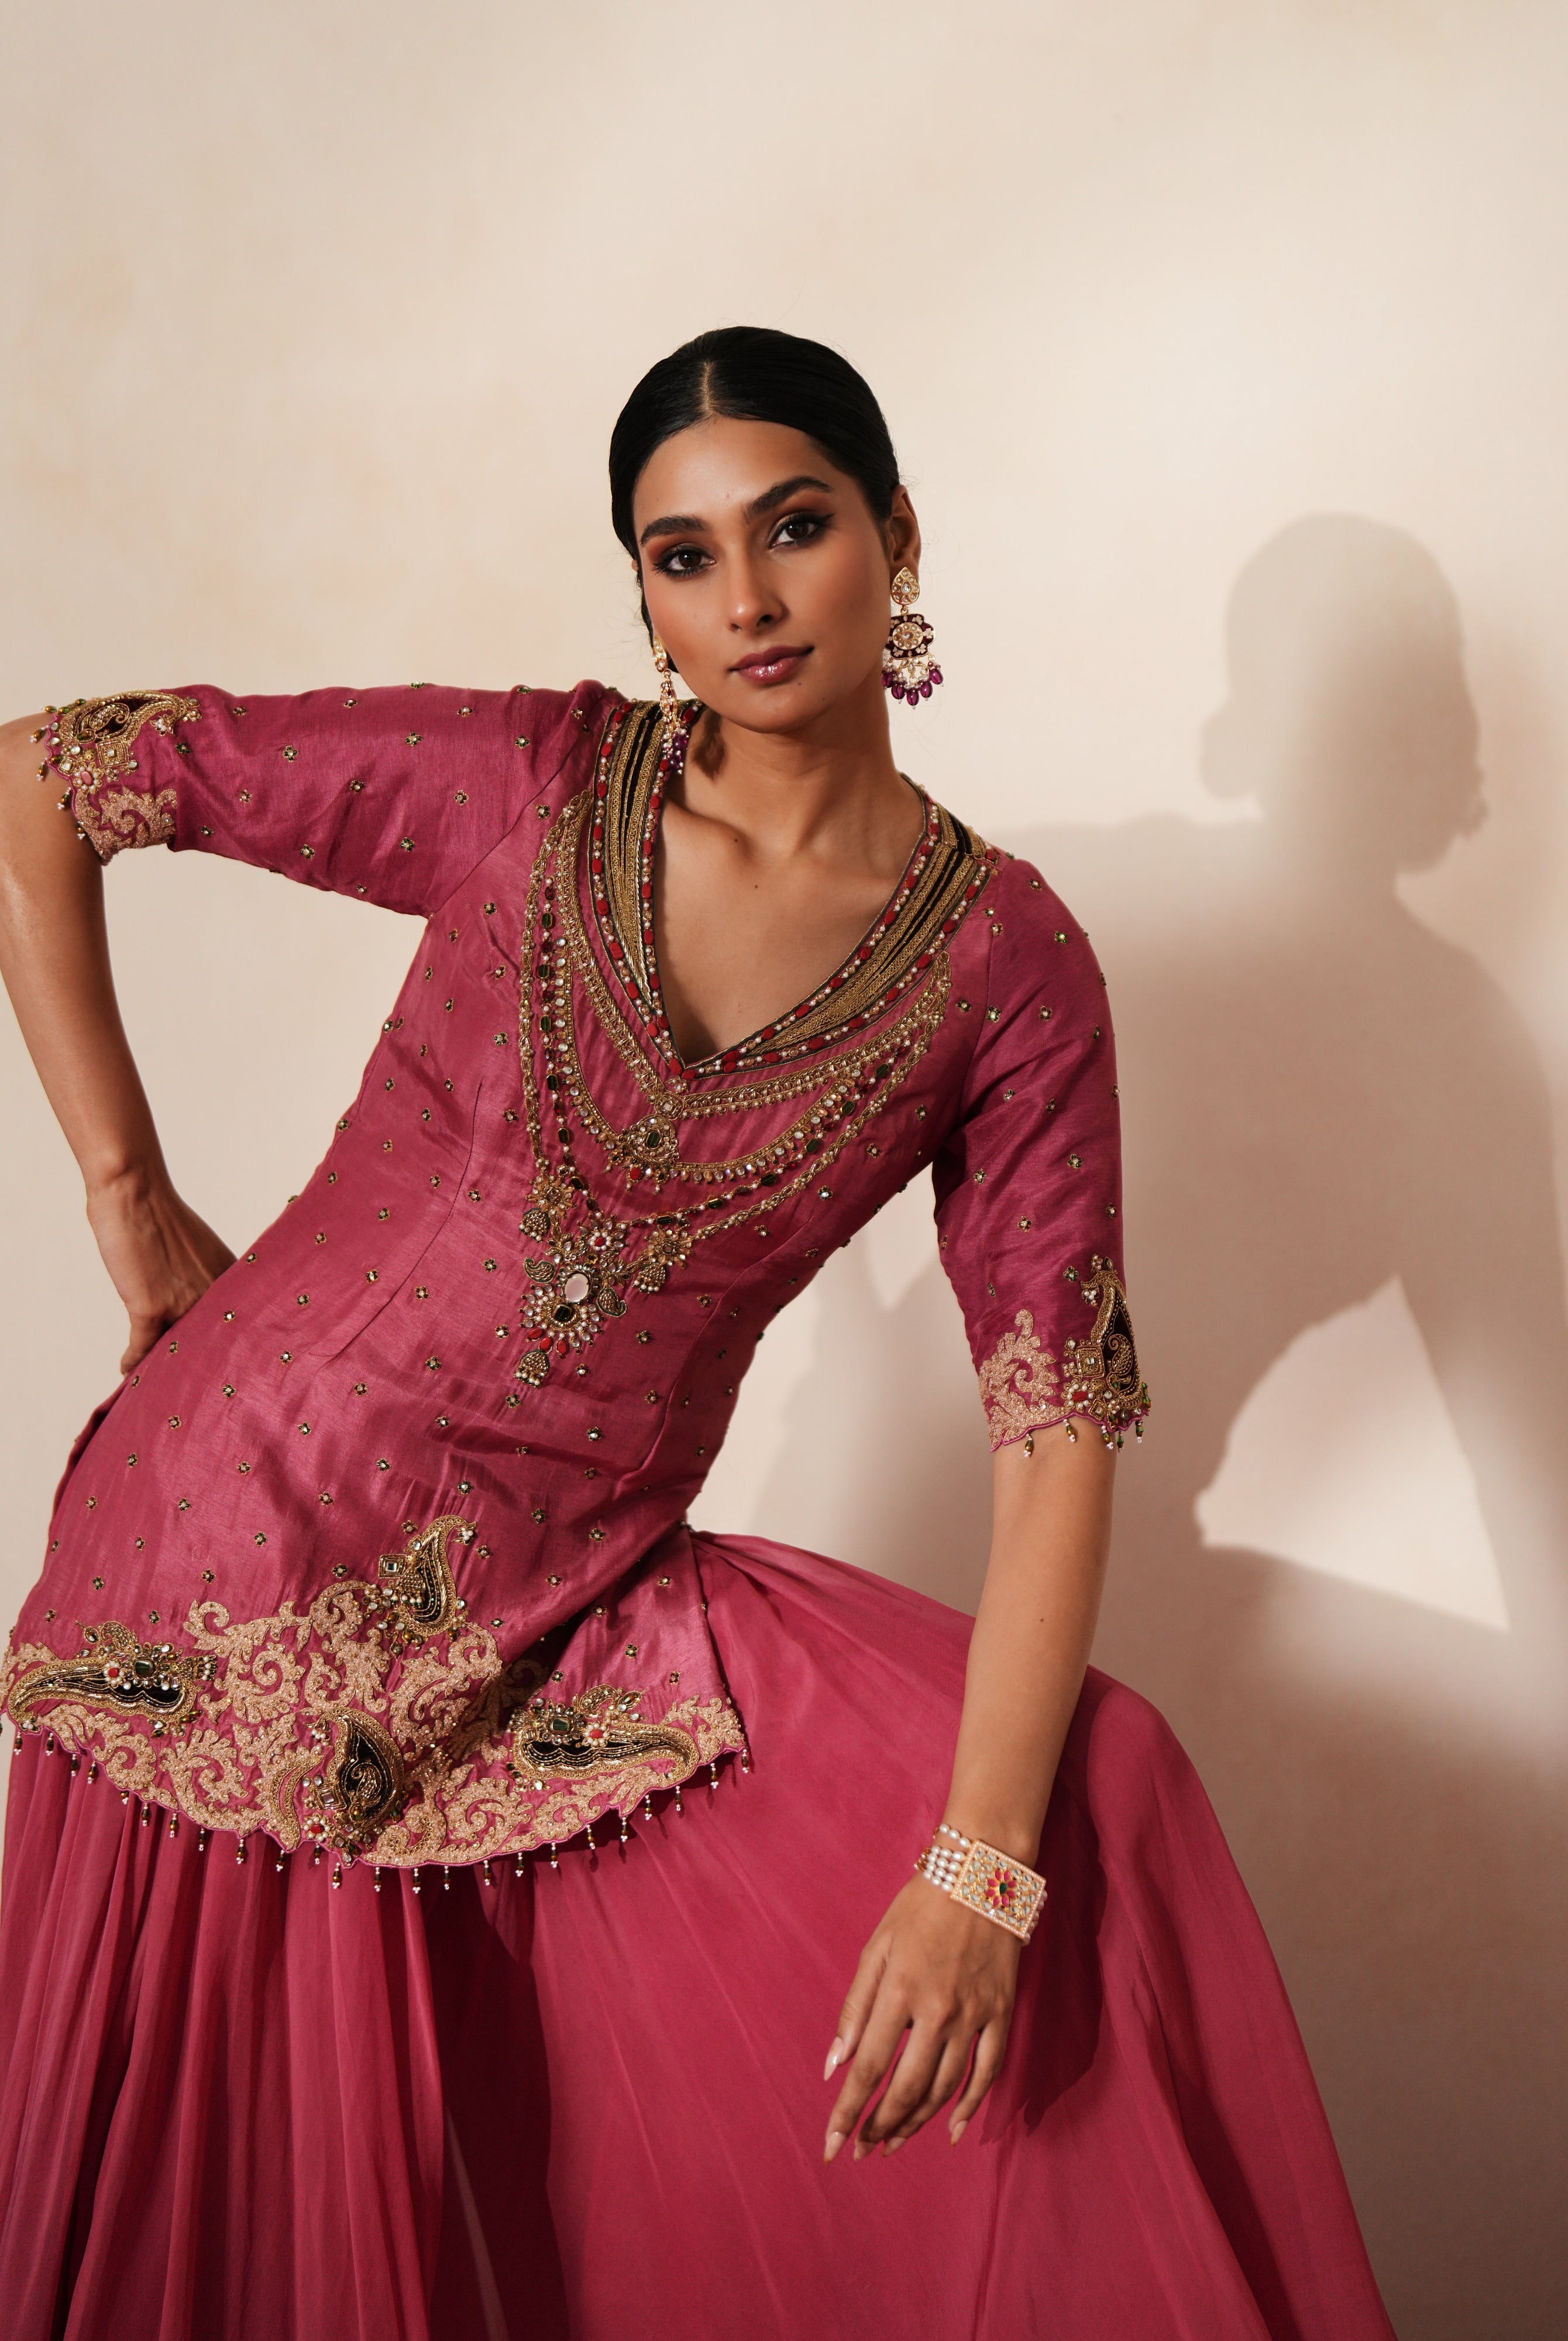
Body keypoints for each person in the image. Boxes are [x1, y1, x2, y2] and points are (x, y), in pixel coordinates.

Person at [0, 327, 1394, 2340]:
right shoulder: (528, 784)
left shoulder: (1005, 974)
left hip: (553, 1616)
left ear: (897, 537)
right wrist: (135, 1213)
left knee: (1106, 1790)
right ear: (639, 591)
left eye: (796, 527)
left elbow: (1057, 1416)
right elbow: (53, 774)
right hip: (213, 1578)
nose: (742, 598)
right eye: (680, 554)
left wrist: (980, 1873)